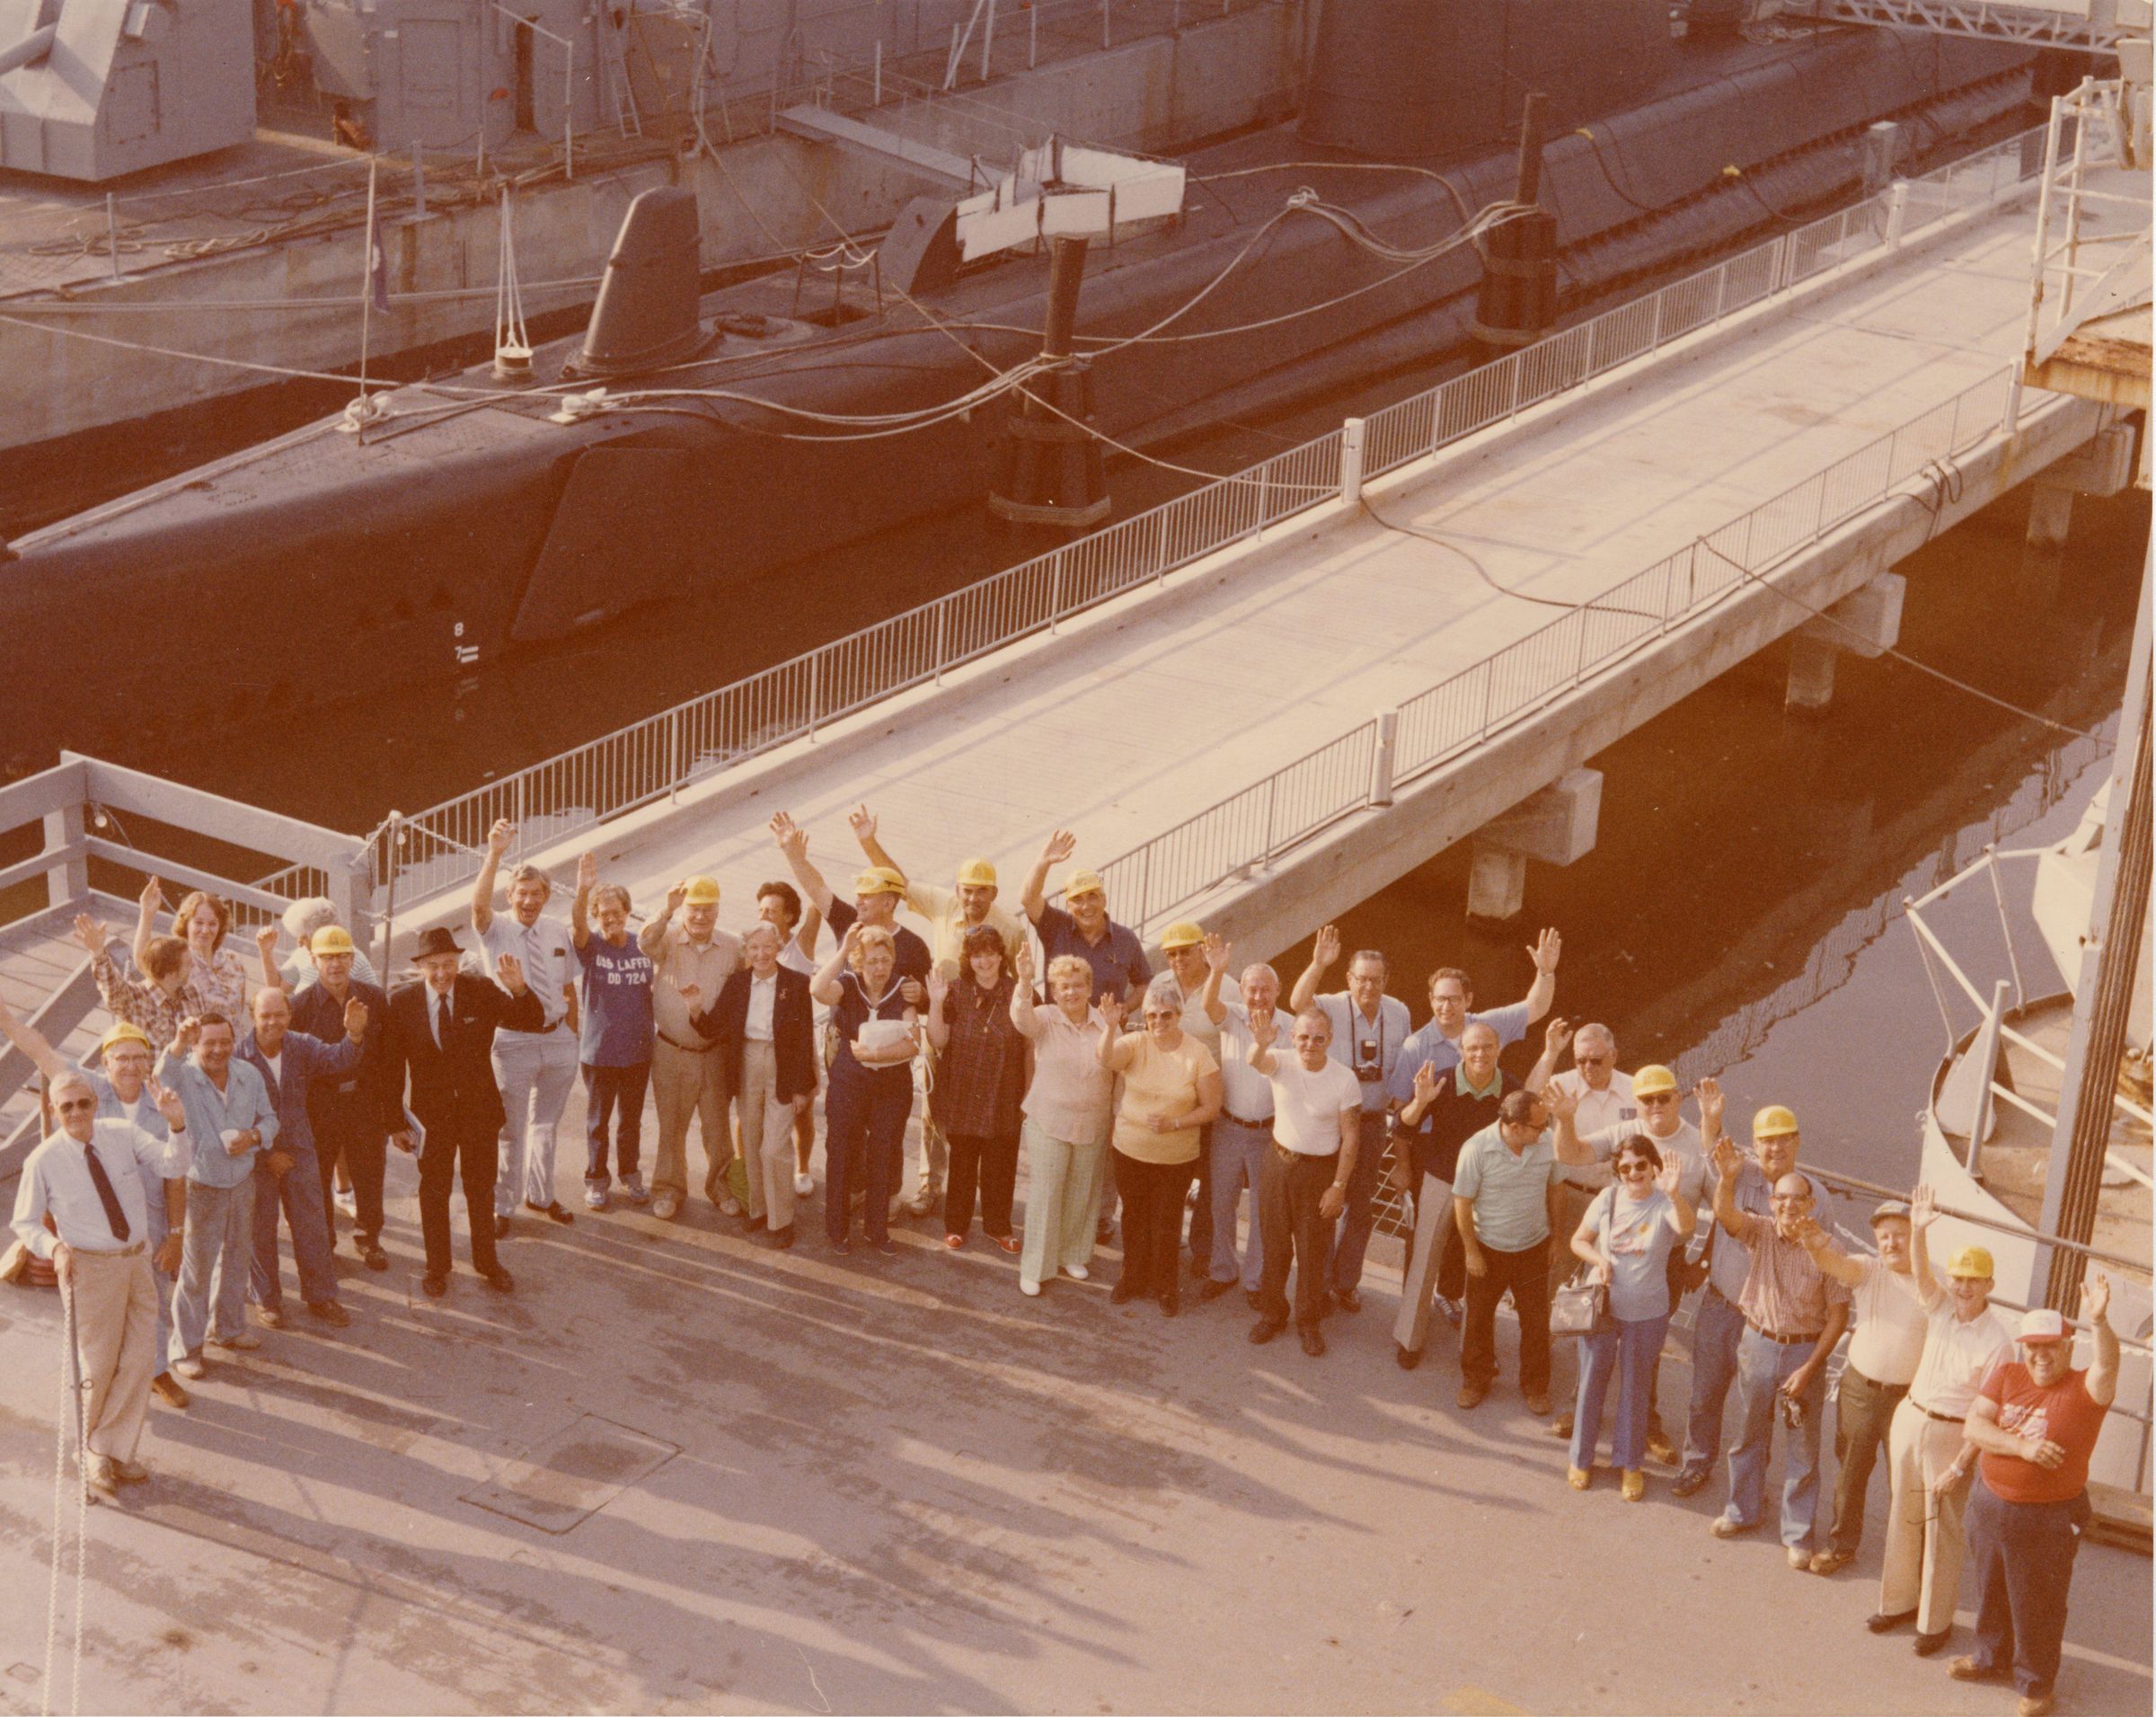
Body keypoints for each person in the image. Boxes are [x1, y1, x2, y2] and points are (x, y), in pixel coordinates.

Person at [0, 1004, 191, 1410]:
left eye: (139, 1057)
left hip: (148, 1222)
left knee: (151, 1303)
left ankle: (156, 1371)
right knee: (100, 1321)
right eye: (121, 1057)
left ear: (148, 1062)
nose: (130, 1065)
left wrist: (176, 1235)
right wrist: (6, 1021)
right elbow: (43, 1052)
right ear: (105, 1062)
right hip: (94, 1226)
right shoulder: (86, 1091)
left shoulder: (162, 1099)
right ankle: (101, 1388)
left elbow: (175, 1175)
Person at [9, 1069, 192, 1491]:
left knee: (141, 1357)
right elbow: (25, 1221)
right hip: (89, 1270)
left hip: (137, 1262)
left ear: (95, 1103)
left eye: (83, 1103)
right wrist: (54, 1248)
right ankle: (90, 1453)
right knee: (99, 1363)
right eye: (66, 1106)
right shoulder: (43, 1160)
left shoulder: (122, 1133)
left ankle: (111, 1447)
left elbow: (174, 1163)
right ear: (53, 1111)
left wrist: (176, 1123)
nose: (76, 1112)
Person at [1948, 1279, 2119, 1717]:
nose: (2041, 1356)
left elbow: (2109, 1363)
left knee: (2037, 1603)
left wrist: (2098, 1320)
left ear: (2068, 1346)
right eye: (2032, 1347)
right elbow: (1974, 1427)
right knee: (1991, 1589)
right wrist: (2022, 1448)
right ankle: (1989, 1657)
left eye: (2051, 1347)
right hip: (1990, 1502)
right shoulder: (2008, 1374)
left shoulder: (2087, 1388)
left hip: (2050, 1515)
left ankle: (2036, 1684)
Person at [848, 804, 1023, 1217]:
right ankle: (930, 1186)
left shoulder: (1010, 929)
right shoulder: (944, 905)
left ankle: (973, 1192)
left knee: (978, 1110)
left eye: (982, 890)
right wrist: (868, 841)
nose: (973, 897)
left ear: (994, 894)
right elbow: (899, 885)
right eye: (967, 889)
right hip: (943, 1020)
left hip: (984, 1030)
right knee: (932, 1106)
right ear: (957, 889)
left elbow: (1014, 978)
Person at [1865, 1185, 2012, 1646]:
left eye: (1973, 1280)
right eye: (1959, 1279)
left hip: (1952, 1435)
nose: (1963, 1288)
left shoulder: (1999, 1343)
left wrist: (1960, 1464)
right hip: (1911, 1418)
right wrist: (1921, 1231)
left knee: (1941, 1530)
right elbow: (1923, 1274)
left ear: (1989, 1285)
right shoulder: (1941, 1307)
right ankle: (1896, 1603)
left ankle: (1934, 1622)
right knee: (1902, 1517)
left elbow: (1986, 1416)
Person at [1672, 1093, 1833, 1499]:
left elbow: (1826, 1259)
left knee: (1755, 1411)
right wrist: (1711, 1117)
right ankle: (1697, 1463)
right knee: (1704, 1395)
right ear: (1754, 1144)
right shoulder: (1737, 1173)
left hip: (1766, 1323)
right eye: (1766, 1140)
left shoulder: (1817, 1198)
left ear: (1797, 1143)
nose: (1775, 1148)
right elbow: (1713, 1154)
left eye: (1783, 1139)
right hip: (1722, 1305)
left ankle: (1749, 1483)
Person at [1705, 1133, 1851, 1565]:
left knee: (1803, 1448)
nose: (1789, 1206)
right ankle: (1741, 1510)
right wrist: (1727, 1179)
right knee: (1748, 1434)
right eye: (1781, 1199)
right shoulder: (1761, 1233)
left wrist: (1808, 1368)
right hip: (1757, 1344)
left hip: (1803, 1353)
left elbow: (1839, 1317)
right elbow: (1723, 1213)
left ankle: (1798, 1533)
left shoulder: (1830, 1251)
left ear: (1811, 1205)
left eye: (1798, 1199)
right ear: (1772, 1203)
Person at [1549, 1060, 1705, 1462]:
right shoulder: (1625, 1133)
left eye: (1662, 1098)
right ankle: (1580, 1406)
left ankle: (1646, 1423)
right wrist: (1566, 1120)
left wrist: (1702, 1260)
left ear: (1678, 1098)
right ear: (1636, 1103)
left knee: (1645, 1348)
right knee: (1595, 1336)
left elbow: (1722, 1206)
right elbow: (1572, 1153)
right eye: (1646, 1099)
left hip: (1665, 1261)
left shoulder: (1700, 1142)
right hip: (1613, 1258)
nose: (1655, 1105)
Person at [376, 927, 544, 1297]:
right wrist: (395, 1124)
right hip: (431, 1120)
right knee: (433, 1191)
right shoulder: (401, 1003)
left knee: (480, 1188)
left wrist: (518, 987)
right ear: (419, 966)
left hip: (478, 1112)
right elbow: (391, 1069)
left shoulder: (480, 991)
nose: (442, 974)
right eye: (433, 966)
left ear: (458, 963)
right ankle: (437, 1266)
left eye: (449, 964)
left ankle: (487, 1262)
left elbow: (531, 1020)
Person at [1391, 1018, 1562, 1370]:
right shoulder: (1443, 1080)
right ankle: (1409, 1338)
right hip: (1442, 1179)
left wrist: (1550, 1054)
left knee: (1481, 1273)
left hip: (1487, 1190)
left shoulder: (1508, 1089)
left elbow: (1532, 1102)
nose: (1480, 1054)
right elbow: (1403, 1125)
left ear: (1499, 1050)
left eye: (1487, 1047)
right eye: (1472, 1048)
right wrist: (1421, 1101)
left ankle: (1473, 1350)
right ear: (1461, 1051)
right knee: (1424, 1260)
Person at [1795, 1196, 1929, 1578]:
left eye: (1901, 1235)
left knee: (1905, 1482)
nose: (1891, 1244)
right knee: (1851, 1472)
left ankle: (1907, 1564)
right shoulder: (1869, 1270)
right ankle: (1841, 1546)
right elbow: (1835, 1263)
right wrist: (1812, 1244)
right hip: (1861, 1392)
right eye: (1884, 1236)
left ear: (1916, 1236)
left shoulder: (1931, 1281)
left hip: (1909, 1400)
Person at [1286, 926, 1409, 1314]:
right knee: (1327, 1204)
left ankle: (1345, 1281)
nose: (1368, 987)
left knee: (1361, 1206)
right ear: (1349, 979)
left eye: (1376, 980)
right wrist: (1318, 964)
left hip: (1373, 1122)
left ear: (1386, 981)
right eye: (1361, 979)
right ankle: (1318, 1283)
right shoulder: (1332, 1005)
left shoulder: (1400, 1012)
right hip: (1330, 1122)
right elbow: (1296, 1002)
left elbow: (1402, 1064)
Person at [1566, 1136, 1697, 1499]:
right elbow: (1578, 1240)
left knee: (1636, 1389)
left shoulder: (1665, 1203)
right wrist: (1599, 1260)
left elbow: (1686, 1228)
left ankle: (1629, 1464)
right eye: (1625, 1167)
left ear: (1653, 1165)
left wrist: (1673, 1192)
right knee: (1592, 1382)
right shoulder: (1606, 1199)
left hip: (1647, 1312)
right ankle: (1581, 1457)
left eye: (1641, 1164)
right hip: (1603, 1308)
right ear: (1617, 1172)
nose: (1634, 1172)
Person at [470, 821, 582, 1235]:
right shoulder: (495, 927)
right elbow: (478, 909)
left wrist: (573, 1034)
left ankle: (542, 1194)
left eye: (537, 894)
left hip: (558, 1041)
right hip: (513, 1043)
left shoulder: (556, 930)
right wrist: (495, 854)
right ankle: (504, 1204)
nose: (529, 900)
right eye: (522, 893)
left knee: (546, 1125)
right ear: (510, 896)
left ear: (546, 896)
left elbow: (569, 983)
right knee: (510, 1129)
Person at [238, 986, 366, 1332]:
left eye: (279, 1014)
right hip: (255, 1157)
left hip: (299, 1151)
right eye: (265, 1015)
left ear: (290, 1016)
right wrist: (268, 1154)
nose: (272, 1022)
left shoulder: (302, 1045)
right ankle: (267, 1299)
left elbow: (339, 1059)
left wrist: (353, 1035)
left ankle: (321, 1295)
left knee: (312, 1225)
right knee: (259, 1228)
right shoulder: (239, 1056)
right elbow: (232, 1116)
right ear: (253, 1018)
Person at [160, 1012, 279, 1380]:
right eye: (208, 1043)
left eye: (224, 1041)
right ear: (196, 1046)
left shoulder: (249, 1074)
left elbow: (271, 1119)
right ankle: (185, 1349)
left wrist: (254, 1137)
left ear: (234, 1041)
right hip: (201, 1185)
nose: (217, 1050)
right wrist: (179, 1041)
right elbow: (163, 1072)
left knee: (237, 1261)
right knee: (196, 1271)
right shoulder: (185, 1076)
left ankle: (226, 1329)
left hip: (243, 1182)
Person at [1096, 975, 1221, 1316]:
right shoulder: (1136, 1043)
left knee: (1167, 1220)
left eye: (1166, 1015)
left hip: (1175, 1156)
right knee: (1134, 1217)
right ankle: (1132, 1278)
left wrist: (1174, 1123)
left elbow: (1211, 1107)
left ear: (1178, 1015)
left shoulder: (1197, 1053)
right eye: (1152, 1015)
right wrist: (1109, 1028)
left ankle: (1166, 1286)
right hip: (1130, 1149)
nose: (1159, 1022)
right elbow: (1106, 1059)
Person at [690, 923, 816, 1249]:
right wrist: (695, 1010)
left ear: (778, 947)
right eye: (754, 948)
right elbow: (715, 1026)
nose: (761, 954)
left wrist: (803, 1087)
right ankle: (759, 1210)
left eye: (767, 946)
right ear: (747, 951)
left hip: (782, 1065)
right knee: (752, 1137)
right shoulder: (737, 983)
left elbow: (804, 1040)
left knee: (774, 1147)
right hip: (746, 1061)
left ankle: (781, 1220)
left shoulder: (797, 984)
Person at [1244, 1008, 1359, 1356]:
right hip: (1278, 1164)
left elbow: (1351, 1137)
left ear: (1330, 1040)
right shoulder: (1279, 1060)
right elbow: (1254, 1061)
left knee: (1313, 1253)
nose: (1310, 1044)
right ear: (1292, 1037)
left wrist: (1338, 1186)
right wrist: (1261, 1045)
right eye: (1304, 1037)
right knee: (1275, 1246)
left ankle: (1308, 1322)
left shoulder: (1344, 1078)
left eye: (1319, 1038)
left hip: (1319, 1173)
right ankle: (1272, 1313)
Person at [1009, 945, 1114, 1297]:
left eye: (1077, 984)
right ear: (1054, 991)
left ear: (1089, 987)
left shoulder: (1104, 1022)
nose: (1071, 992)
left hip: (1092, 1121)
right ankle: (1035, 1267)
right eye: (1063, 986)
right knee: (1047, 1192)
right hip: (1049, 1119)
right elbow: (1021, 1018)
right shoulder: (1045, 1018)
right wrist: (1024, 980)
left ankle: (1072, 1254)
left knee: (1083, 1191)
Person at [810, 922, 920, 1258]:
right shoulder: (847, 983)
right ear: (859, 962)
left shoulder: (903, 988)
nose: (879, 968)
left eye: (884, 960)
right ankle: (837, 1230)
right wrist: (843, 950)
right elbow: (817, 989)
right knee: (842, 1151)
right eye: (871, 961)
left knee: (883, 1154)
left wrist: (875, 1055)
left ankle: (876, 1230)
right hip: (849, 1079)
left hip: (892, 1085)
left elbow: (913, 1043)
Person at [288, 926, 394, 1271]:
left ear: (353, 959)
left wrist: (393, 1115)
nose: (335, 965)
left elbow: (390, 1060)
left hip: (364, 1101)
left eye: (342, 957)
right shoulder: (299, 1007)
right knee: (316, 1176)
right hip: (321, 1105)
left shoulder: (375, 998)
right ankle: (325, 1241)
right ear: (314, 961)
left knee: (369, 1172)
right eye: (327, 958)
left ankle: (369, 1237)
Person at [1453, 1088, 1564, 1412]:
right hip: (1490, 1248)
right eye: (1538, 1126)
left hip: (1533, 1248)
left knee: (1535, 1321)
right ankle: (1476, 1380)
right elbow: (1463, 1201)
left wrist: (1556, 1238)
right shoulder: (1476, 1149)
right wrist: (1471, 1251)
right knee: (1478, 1318)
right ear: (1514, 1127)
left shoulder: (1547, 1143)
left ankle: (1536, 1386)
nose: (1545, 1131)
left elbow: (1556, 1189)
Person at [641, 873, 743, 1223]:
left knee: (717, 1128)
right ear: (685, 909)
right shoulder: (666, 940)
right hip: (672, 1050)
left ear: (718, 910)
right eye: (694, 910)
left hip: (714, 1052)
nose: (700, 917)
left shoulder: (733, 947)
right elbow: (644, 943)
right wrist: (666, 910)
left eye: (708, 910)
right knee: (671, 1125)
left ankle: (721, 1187)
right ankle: (669, 1189)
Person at [924, 926, 1027, 1253]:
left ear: (1001, 955)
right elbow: (938, 1040)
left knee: (1001, 1163)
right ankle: (956, 1226)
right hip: (963, 1090)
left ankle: (998, 1227)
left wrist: (1029, 1093)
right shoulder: (955, 991)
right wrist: (936, 1004)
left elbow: (1029, 1048)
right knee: (963, 1163)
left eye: (990, 953)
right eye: (977, 954)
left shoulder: (1019, 992)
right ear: (969, 958)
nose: (984, 961)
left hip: (1004, 1091)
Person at [570, 854, 657, 1212]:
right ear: (596, 916)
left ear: (627, 911)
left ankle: (630, 1172)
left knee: (631, 1121)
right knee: (598, 1122)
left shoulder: (643, 946)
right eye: (603, 912)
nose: (610, 917)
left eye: (616, 911)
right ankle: (595, 1179)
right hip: (600, 1052)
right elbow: (576, 925)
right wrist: (582, 890)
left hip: (637, 1052)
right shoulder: (591, 946)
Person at [1199, 938, 1281, 1307]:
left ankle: (1255, 1279)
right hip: (1229, 1128)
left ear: (1278, 991)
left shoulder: (1291, 1028)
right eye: (1252, 989)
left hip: (1269, 1132)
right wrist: (1217, 970)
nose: (1259, 996)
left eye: (1266, 989)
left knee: (1263, 1210)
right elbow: (1208, 1004)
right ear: (1242, 991)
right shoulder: (1231, 1016)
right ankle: (1223, 1269)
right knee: (1221, 1202)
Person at [1151, 921, 1224, 1276]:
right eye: (1172, 953)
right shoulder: (1159, 986)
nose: (1179, 959)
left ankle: (1201, 1252)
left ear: (1202, 950)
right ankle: (1161, 1243)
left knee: (1209, 1180)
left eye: (1186, 951)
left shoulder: (1229, 987)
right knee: (1166, 1175)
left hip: (1210, 1098)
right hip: (1170, 1095)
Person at [1394, 934, 1563, 1086]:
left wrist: (1545, 972)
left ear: (1468, 1000)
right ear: (1431, 999)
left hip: (1485, 1120)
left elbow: (1537, 1007)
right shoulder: (1414, 1047)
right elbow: (1400, 1106)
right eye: (1440, 999)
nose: (1446, 1007)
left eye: (1454, 999)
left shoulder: (1489, 1025)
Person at [1020, 829, 1151, 1005]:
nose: (1086, 906)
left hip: (1106, 1028)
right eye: (1077, 899)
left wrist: (1125, 1009)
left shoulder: (1125, 938)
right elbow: (1028, 899)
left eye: (1092, 896)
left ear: (1104, 899)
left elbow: (1145, 983)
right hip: (1060, 1028)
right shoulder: (1055, 927)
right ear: (1068, 905)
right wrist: (1043, 863)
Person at [752, 876, 823, 1198]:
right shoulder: (752, 944)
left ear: (789, 917)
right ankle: (747, 1165)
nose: (764, 916)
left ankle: (803, 1167)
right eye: (761, 910)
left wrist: (796, 856)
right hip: (757, 1042)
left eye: (772, 911)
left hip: (796, 1043)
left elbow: (818, 904)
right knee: (751, 1110)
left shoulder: (802, 945)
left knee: (801, 1110)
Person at [137, 881, 248, 1021]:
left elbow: (239, 1009)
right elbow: (144, 963)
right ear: (186, 924)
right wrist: (146, 914)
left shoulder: (234, 960)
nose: (205, 930)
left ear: (220, 926)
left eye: (212, 923)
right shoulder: (177, 958)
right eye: (199, 923)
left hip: (234, 1040)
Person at [79, 911, 191, 1049]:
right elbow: (113, 989)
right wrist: (98, 951)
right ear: (171, 973)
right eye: (188, 964)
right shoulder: (136, 999)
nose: (193, 967)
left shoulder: (191, 996)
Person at [1547, 1023, 1634, 1193]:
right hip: (1573, 1192)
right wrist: (1550, 1054)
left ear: (1613, 1056)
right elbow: (1526, 1099)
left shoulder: (1635, 1088)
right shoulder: (1560, 1086)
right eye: (1581, 1060)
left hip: (1623, 1192)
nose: (1588, 1067)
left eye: (1595, 1060)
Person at [256, 898, 382, 992]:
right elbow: (277, 988)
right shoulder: (304, 952)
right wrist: (266, 952)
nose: (300, 941)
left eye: (304, 936)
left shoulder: (348, 961)